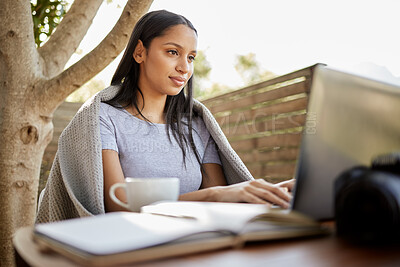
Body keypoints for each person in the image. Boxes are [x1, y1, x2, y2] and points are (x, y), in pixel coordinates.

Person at [36, 10, 293, 224]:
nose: (185, 67)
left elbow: (224, 200)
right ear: (139, 52)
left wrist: (277, 192)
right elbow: (120, 207)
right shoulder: (104, 118)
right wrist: (212, 195)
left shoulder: (197, 126)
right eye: (173, 52)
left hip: (193, 242)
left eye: (191, 57)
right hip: (131, 247)